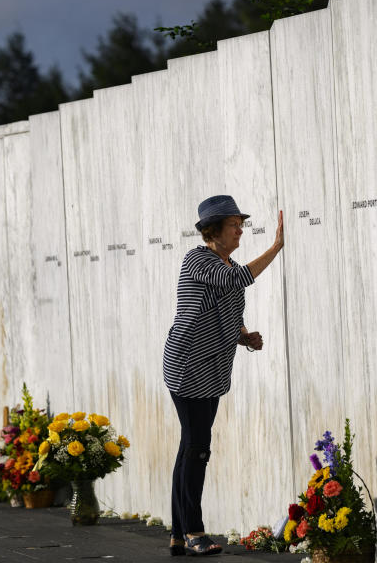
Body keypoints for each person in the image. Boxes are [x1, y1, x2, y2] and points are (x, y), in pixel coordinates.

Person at [163, 195, 284, 556]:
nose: (240, 230)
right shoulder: (199, 260)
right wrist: (276, 246)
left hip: (211, 369)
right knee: (198, 449)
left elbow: (226, 304)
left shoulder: (222, 262)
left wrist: (243, 335)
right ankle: (194, 532)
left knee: (190, 446)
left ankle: (178, 532)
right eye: (234, 225)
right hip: (188, 368)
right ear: (213, 230)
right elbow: (239, 279)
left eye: (240, 224)